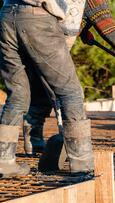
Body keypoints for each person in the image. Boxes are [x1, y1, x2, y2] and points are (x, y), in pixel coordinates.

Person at [23, 0, 115, 155]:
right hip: (48, 44)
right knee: (69, 94)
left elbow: (65, 11)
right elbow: (111, 30)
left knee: (40, 87)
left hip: (24, 31)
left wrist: (81, 28)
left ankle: (34, 141)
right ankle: (74, 150)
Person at [0, 0, 92, 178]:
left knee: (18, 93)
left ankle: (3, 161)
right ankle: (82, 164)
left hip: (6, 16)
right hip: (39, 18)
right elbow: (81, 14)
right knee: (70, 91)